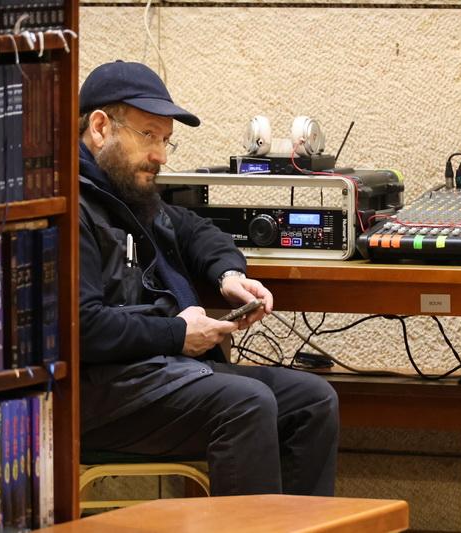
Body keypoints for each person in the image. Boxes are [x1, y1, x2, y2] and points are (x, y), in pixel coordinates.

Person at [77, 60, 339, 496]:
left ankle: (297, 526)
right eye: (148, 135)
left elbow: (197, 231)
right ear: (101, 127)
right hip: (101, 393)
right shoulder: (69, 207)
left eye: (166, 140)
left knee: (313, 401)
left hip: (156, 371)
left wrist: (228, 275)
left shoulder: (128, 196)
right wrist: (177, 334)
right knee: (246, 404)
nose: (161, 155)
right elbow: (83, 328)